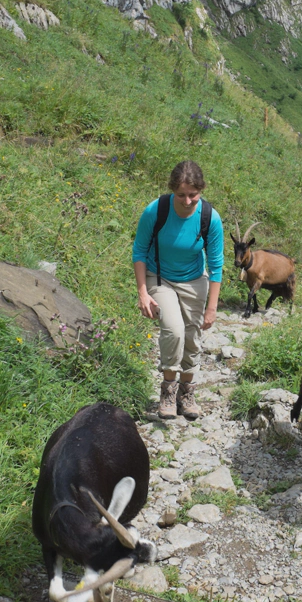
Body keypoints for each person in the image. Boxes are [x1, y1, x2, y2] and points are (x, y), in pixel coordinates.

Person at [132, 161, 224, 420]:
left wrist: (212, 308)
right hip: (160, 277)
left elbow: (216, 265)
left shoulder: (209, 217)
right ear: (173, 191)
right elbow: (139, 252)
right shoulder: (156, 210)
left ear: (201, 191)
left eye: (193, 195)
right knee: (174, 330)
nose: (187, 201)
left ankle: (187, 390)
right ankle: (168, 390)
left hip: (195, 280)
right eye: (181, 194)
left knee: (193, 336)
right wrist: (142, 293)